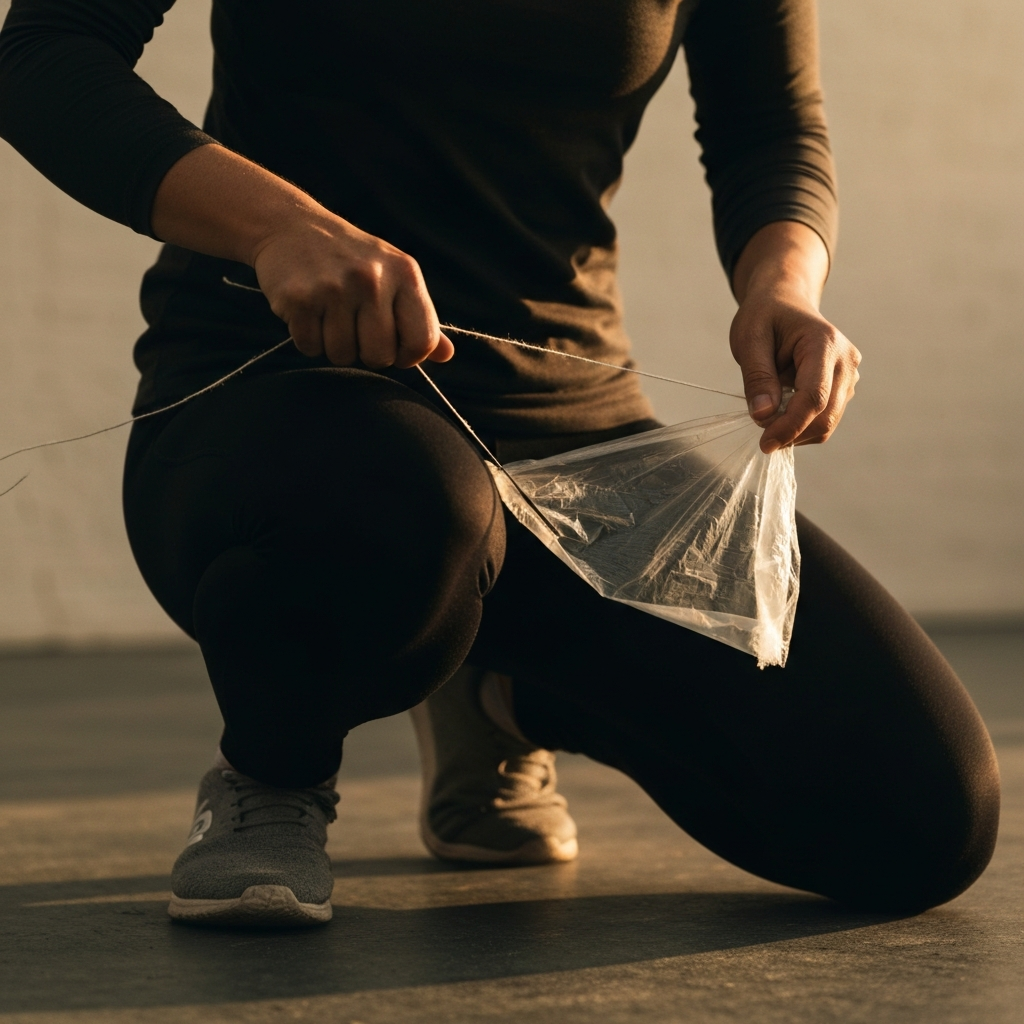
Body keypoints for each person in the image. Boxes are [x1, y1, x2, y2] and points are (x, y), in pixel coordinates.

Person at [0, 0, 999, 929]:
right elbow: (48, 53)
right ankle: (271, 771)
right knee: (412, 505)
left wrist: (782, 286)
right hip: (290, 394)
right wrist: (281, 228)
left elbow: (769, 126)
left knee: (922, 819)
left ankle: (504, 690)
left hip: (569, 432)